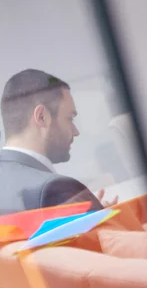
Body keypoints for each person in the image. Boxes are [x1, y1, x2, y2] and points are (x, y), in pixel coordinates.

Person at [0, 69, 113, 215]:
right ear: (42, 117)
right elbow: (115, 237)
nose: (76, 131)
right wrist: (108, 220)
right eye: (70, 118)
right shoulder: (56, 189)